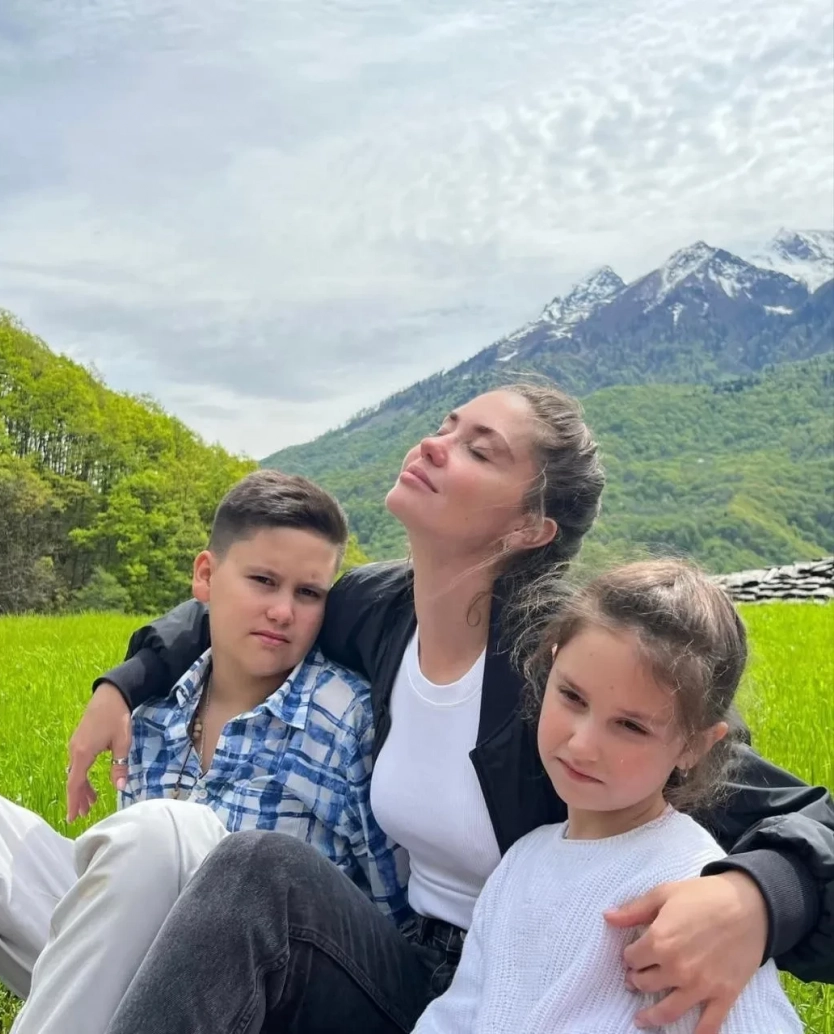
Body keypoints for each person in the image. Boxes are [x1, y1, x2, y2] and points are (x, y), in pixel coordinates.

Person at [70, 384, 833, 1034]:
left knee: (253, 870)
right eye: (446, 426)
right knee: (251, 871)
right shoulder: (375, 609)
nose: (434, 446)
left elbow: (797, 813)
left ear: (529, 528)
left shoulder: (571, 670)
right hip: (407, 975)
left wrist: (756, 898)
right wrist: (128, 680)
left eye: (479, 450)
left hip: (540, 986)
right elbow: (255, 606)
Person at [0, 470, 407, 1034]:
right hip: (129, 969)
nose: (283, 611)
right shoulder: (152, 711)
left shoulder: (345, 722)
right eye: (263, 581)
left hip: (257, 996)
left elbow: (394, 921)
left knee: (164, 829)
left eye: (308, 593)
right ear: (206, 575)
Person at [410, 560, 802, 1033]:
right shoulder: (522, 860)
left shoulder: (688, 890)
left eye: (631, 726)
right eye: (572, 697)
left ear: (694, 746)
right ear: (551, 662)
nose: (581, 745)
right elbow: (457, 1015)